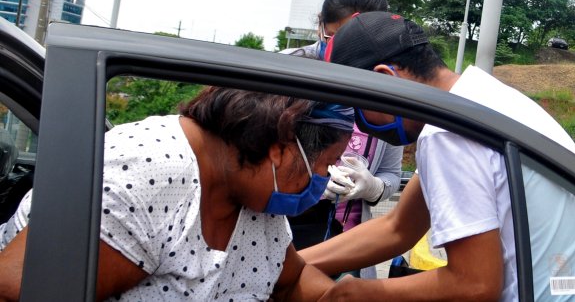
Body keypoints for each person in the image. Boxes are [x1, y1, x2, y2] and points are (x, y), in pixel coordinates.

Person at [298, 11, 575, 301]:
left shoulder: (446, 134)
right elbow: (398, 227)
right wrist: (292, 264)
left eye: (356, 106)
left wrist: (355, 293)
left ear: (386, 78)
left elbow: (475, 284)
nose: (358, 122)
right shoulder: (479, 99)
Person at [0, 88, 354, 300]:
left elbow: (289, 281)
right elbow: (16, 291)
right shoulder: (146, 175)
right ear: (282, 150)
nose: (325, 178)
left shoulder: (254, 201)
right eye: (326, 163)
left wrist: (344, 296)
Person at [283, 0, 405, 277]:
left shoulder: (387, 87)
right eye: (335, 38)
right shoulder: (286, 69)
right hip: (280, 237)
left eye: (359, 44)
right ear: (320, 26)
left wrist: (372, 186)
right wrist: (305, 180)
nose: (345, 53)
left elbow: (391, 174)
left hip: (349, 251)